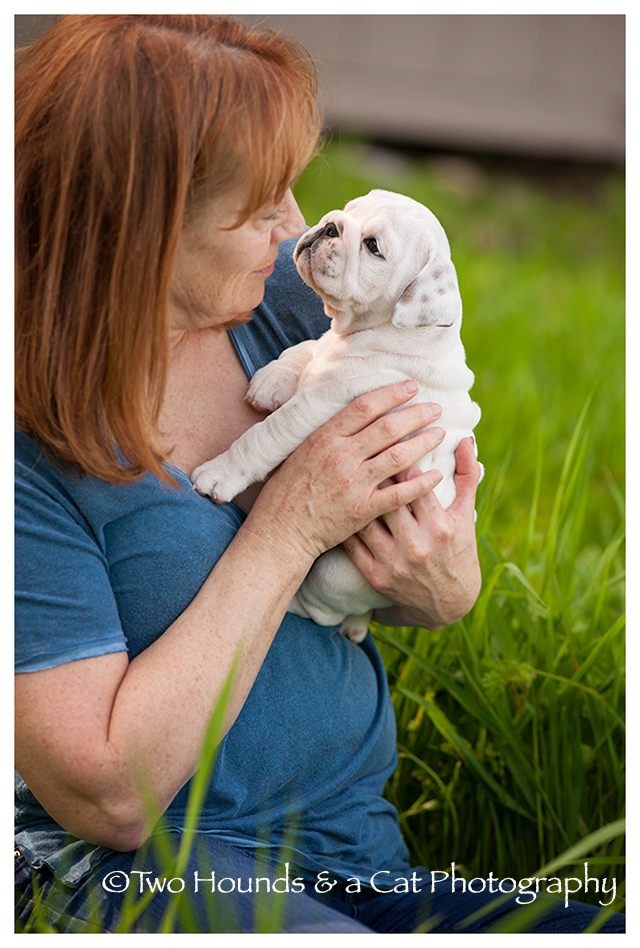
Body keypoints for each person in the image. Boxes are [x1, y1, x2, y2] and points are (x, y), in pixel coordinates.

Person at [15, 15, 623, 934]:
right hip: (133, 865)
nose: (297, 226)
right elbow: (108, 798)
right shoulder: (27, 451)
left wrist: (445, 577)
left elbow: (436, 573)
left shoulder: (292, 305)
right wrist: (286, 527)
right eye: (260, 206)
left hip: (355, 851)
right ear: (140, 228)